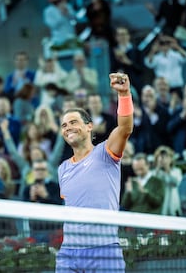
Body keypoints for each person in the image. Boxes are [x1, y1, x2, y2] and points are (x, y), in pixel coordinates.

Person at [55, 73, 133, 272]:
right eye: (64, 125)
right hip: (69, 253)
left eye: (73, 122)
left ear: (89, 126)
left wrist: (124, 95)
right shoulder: (62, 169)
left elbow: (125, 128)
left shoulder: (106, 152)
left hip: (104, 250)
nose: (68, 128)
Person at [152, 146, 183, 216]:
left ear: (171, 159)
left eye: (166, 157)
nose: (163, 159)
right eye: (160, 157)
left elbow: (176, 183)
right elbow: (152, 184)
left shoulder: (176, 171)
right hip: (159, 208)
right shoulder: (153, 173)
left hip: (173, 205)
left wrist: (167, 169)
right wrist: (158, 168)